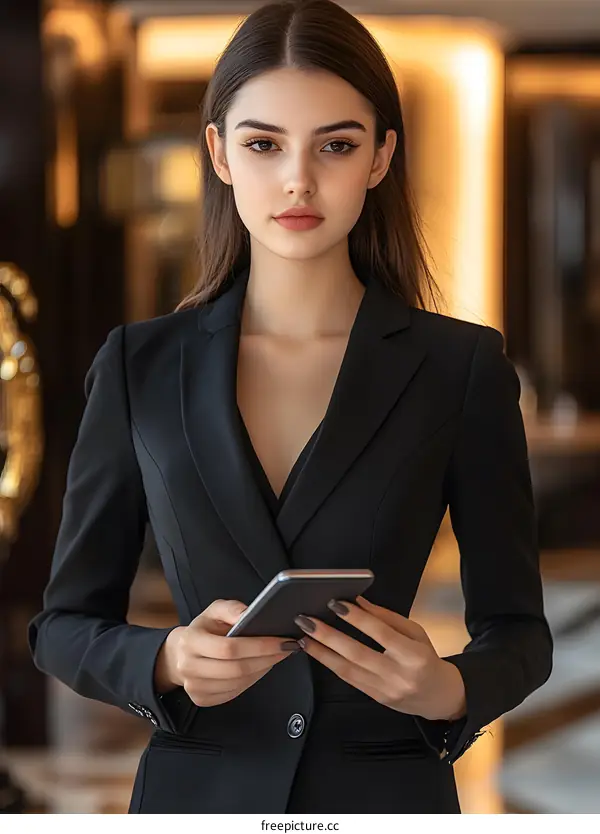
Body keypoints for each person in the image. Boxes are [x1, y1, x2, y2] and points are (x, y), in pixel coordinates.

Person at [28, 0, 553, 814]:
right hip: (195, 796)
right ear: (219, 152)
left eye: (335, 145)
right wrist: (164, 660)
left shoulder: (461, 366)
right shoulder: (139, 365)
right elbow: (62, 625)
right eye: (263, 143)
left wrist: (448, 688)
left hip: (388, 794)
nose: (298, 179)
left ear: (381, 156)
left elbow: (519, 632)